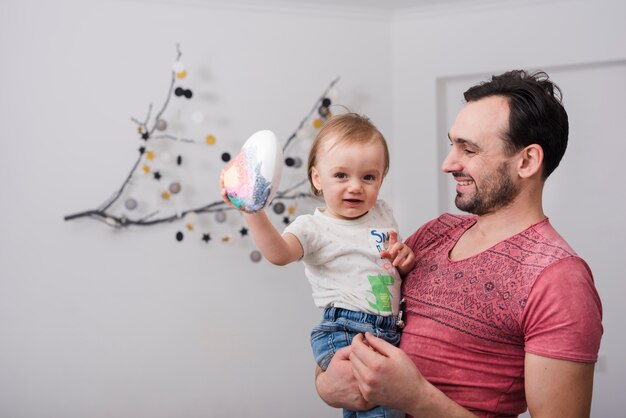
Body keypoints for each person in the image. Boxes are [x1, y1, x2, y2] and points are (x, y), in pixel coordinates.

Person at [315, 70, 603, 418]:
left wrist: (417, 397)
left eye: (468, 149)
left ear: (527, 161)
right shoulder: (433, 234)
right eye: (453, 144)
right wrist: (325, 382)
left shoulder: (558, 279)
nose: (448, 163)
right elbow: (358, 325)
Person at [221, 113, 416, 418]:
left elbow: (389, 268)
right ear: (316, 178)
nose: (355, 187)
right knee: (382, 409)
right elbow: (279, 253)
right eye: (341, 176)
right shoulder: (313, 228)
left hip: (388, 328)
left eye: (369, 177)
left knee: (385, 407)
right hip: (346, 328)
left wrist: (404, 259)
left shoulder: (382, 213)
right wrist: (252, 211)